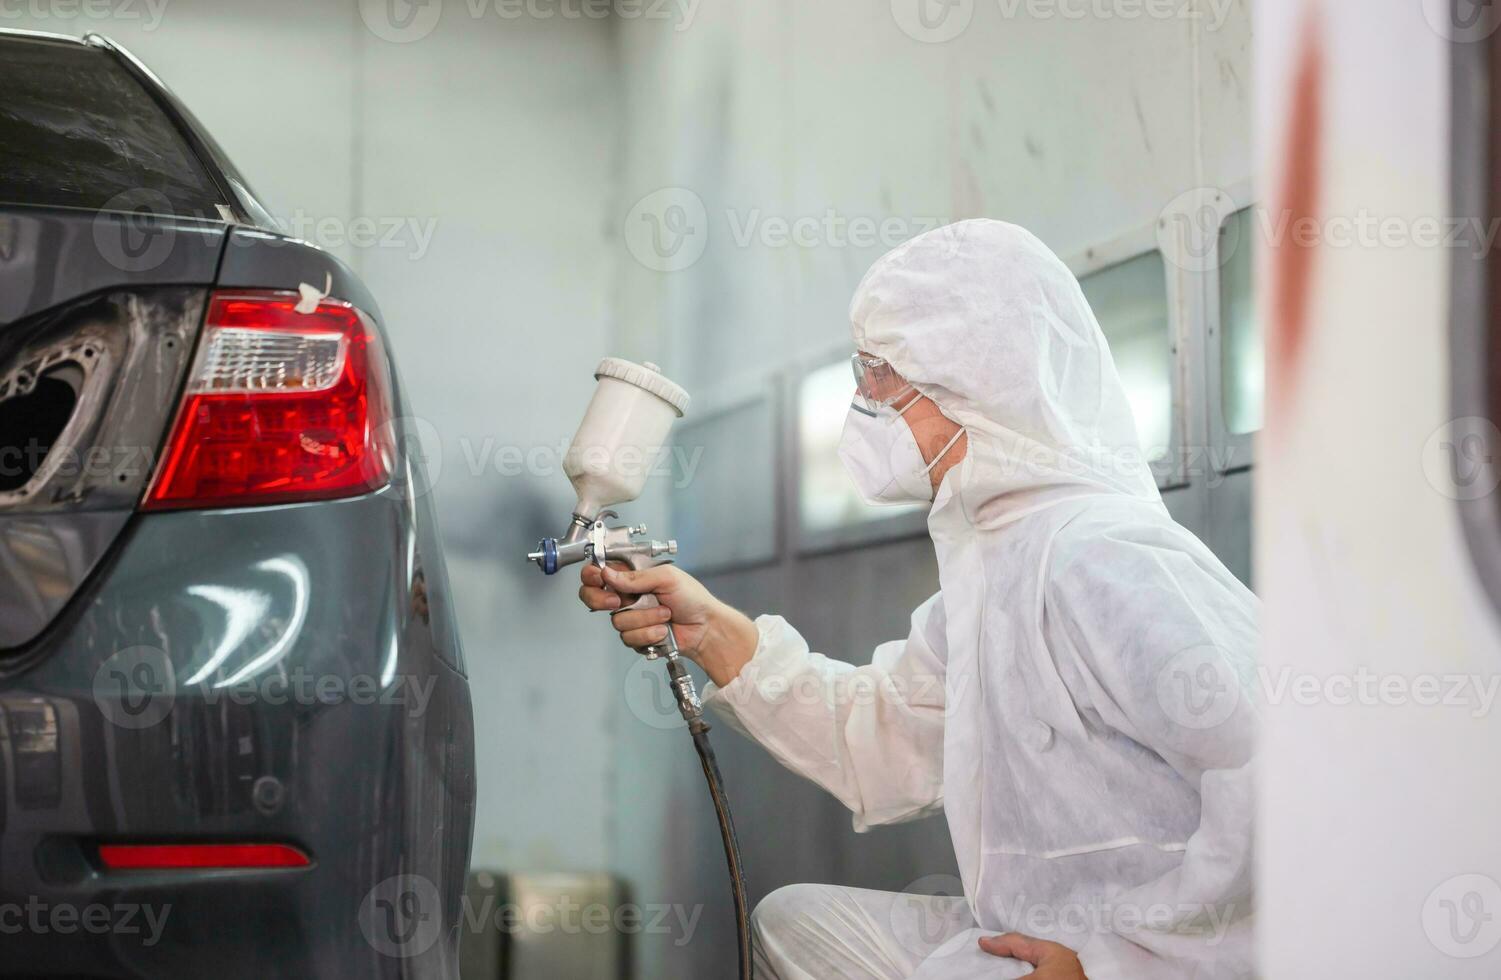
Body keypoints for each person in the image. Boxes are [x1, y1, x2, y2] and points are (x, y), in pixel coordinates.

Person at [579, 219, 1258, 979]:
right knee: (797, 925)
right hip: (1040, 932)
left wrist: (1111, 970)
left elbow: (1286, 781)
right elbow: (887, 738)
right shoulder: (998, 563)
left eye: (881, 376)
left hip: (1148, 961)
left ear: (972, 380)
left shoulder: (1098, 556)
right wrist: (709, 631)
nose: (865, 402)